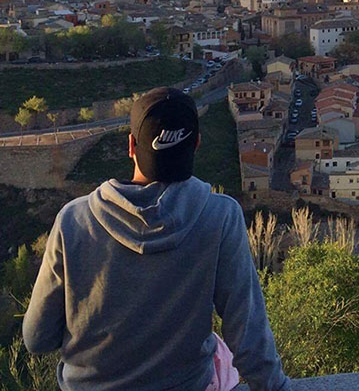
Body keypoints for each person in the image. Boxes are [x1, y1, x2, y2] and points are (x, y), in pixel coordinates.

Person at [23, 87, 290, 391]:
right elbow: (248, 333)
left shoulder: (73, 219)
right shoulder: (220, 216)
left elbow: (37, 339)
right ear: (197, 145)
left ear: (131, 146)